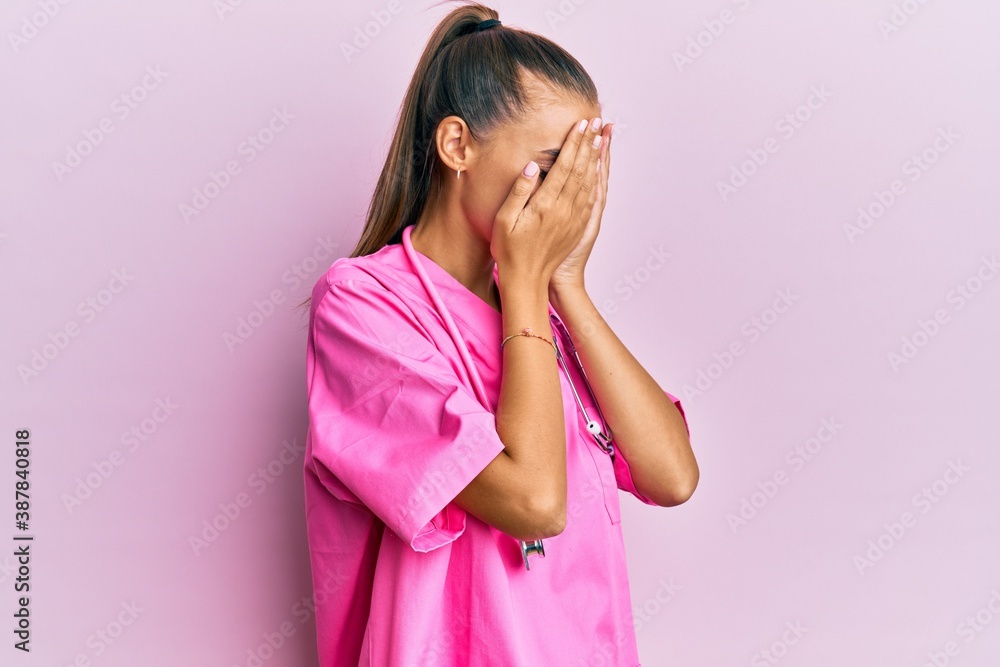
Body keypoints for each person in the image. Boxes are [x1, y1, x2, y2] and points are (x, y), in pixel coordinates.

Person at [300, 3, 698, 665]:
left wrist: (563, 281)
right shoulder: (360, 305)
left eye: (582, 173)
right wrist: (524, 285)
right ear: (458, 145)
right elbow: (535, 502)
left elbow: (672, 475)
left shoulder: (542, 308)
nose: (565, 199)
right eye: (551, 166)